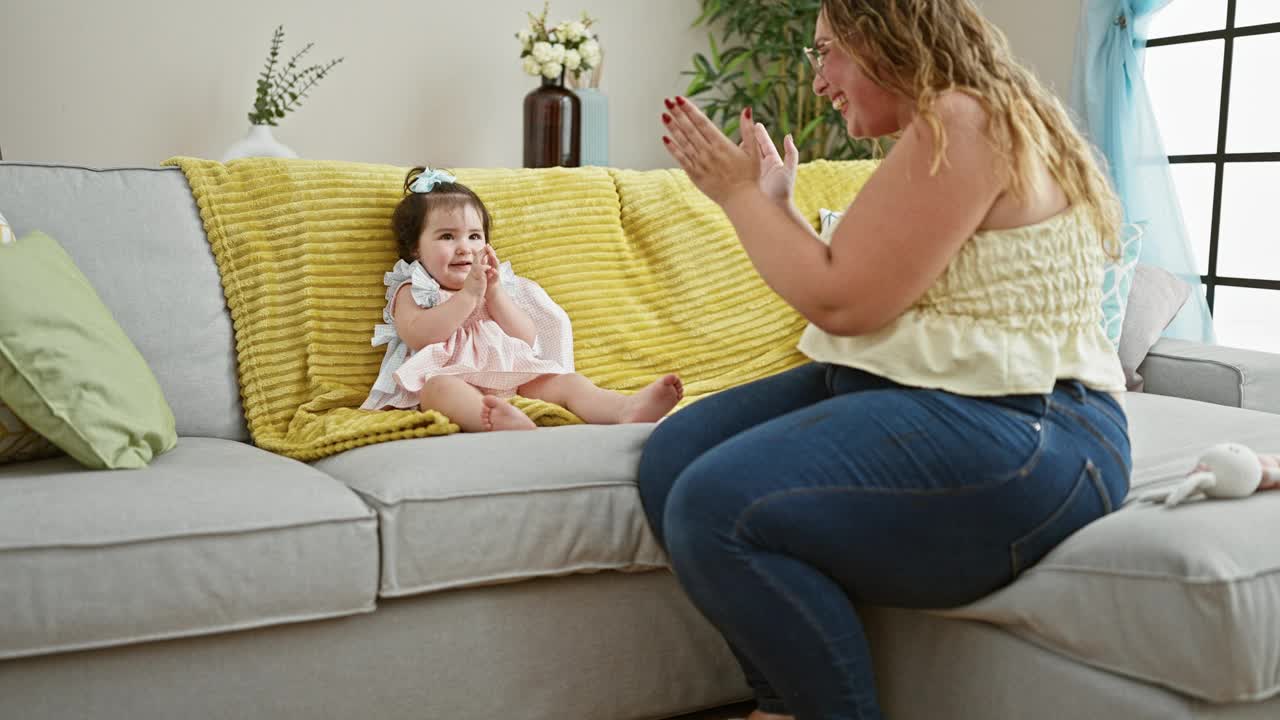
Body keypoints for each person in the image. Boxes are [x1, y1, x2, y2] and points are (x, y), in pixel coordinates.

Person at [638, 1, 1131, 719]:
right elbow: (866, 288)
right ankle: (783, 698)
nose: (818, 81)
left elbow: (842, 303)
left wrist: (739, 193)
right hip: (954, 395)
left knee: (714, 505)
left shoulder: (966, 119)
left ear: (883, 36)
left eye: (827, 51)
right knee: (674, 455)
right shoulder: (952, 123)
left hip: (1035, 427)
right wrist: (771, 207)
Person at [362, 166, 683, 432]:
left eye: (475, 236)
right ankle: (496, 421)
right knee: (439, 390)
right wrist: (468, 297)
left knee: (567, 382)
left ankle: (624, 408)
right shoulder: (414, 287)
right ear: (416, 248)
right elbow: (419, 334)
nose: (465, 248)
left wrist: (495, 293)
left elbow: (525, 336)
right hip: (449, 377)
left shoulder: (495, 282)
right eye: (447, 236)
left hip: (513, 373)